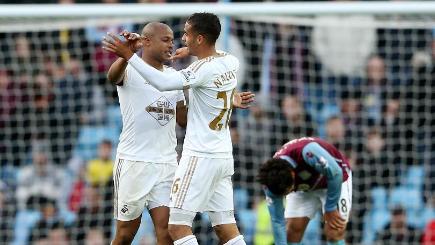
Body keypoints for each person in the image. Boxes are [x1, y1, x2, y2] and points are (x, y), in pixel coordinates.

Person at [103, 13, 251, 245]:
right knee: (124, 234)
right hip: (134, 162)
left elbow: (184, 119)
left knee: (167, 231)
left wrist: (222, 100)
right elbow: (113, 77)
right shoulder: (131, 70)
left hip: (167, 164)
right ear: (147, 41)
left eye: (176, 38)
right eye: (166, 39)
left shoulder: (175, 77)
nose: (174, 43)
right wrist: (126, 56)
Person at [257, 137, 352, 245]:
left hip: (334, 180)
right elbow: (277, 221)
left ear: (293, 175)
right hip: (304, 188)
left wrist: (330, 207)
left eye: (289, 190)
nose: (287, 194)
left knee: (334, 231)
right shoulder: (271, 185)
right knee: (292, 232)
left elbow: (336, 173)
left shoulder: (308, 153)